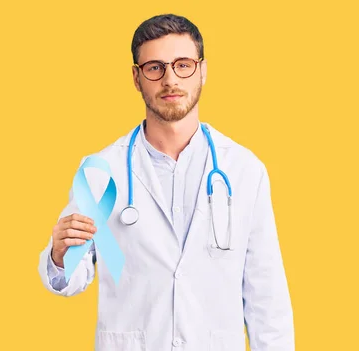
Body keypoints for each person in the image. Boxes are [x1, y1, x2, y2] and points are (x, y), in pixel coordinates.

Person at [38, 13, 294, 351]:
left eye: (183, 65)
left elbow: (266, 296)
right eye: (155, 67)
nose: (170, 79)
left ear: (202, 70)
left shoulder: (244, 170)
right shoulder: (101, 173)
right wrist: (58, 254)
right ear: (136, 77)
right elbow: (70, 277)